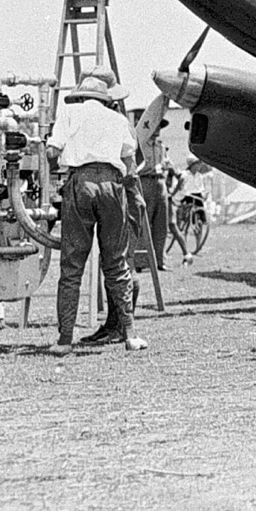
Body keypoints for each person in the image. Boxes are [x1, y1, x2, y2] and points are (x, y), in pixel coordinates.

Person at [45, 76, 147, 355]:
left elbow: (52, 150)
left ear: (79, 97)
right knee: (116, 264)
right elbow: (129, 162)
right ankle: (130, 335)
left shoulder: (69, 113)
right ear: (106, 99)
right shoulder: (117, 119)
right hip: (113, 185)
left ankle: (65, 340)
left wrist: (55, 167)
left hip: (81, 183)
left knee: (72, 266)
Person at [137, 119, 171, 270]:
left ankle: (160, 261)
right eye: (155, 126)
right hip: (146, 183)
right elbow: (137, 167)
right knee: (143, 223)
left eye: (159, 127)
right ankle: (140, 261)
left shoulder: (161, 146)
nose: (157, 130)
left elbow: (167, 164)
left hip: (160, 183)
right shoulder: (141, 146)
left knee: (161, 224)